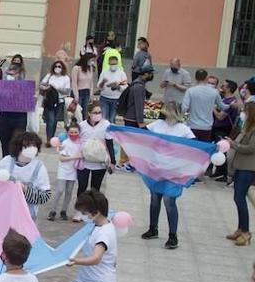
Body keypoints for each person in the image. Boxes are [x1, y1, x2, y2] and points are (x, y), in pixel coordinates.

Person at [139, 102, 193, 250]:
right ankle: (153, 229)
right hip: (156, 169)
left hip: (174, 172)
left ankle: (173, 236)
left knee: (169, 201)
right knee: (154, 200)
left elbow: (194, 146)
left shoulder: (184, 129)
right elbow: (141, 133)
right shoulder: (157, 124)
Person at [0, 132, 51, 219]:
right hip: (3, 214)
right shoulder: (6, 161)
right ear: (18, 148)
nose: (31, 149)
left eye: (34, 146)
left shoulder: (39, 167)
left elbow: (45, 196)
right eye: (26, 146)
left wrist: (25, 190)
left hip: (26, 217)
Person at [70, 101, 112, 214]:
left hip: (100, 162)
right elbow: (75, 140)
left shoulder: (106, 124)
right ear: (89, 113)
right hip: (84, 162)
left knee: (95, 189)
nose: (98, 114)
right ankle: (79, 210)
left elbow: (109, 142)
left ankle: (93, 211)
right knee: (82, 187)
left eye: (100, 112)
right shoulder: (82, 125)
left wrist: (112, 160)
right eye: (95, 112)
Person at [230, 102, 255, 247]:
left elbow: (251, 148)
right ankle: (240, 228)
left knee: (240, 198)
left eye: (245, 111)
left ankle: (245, 231)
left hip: (248, 168)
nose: (243, 114)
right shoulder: (247, 128)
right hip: (241, 166)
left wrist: (234, 145)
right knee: (237, 197)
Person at [49, 123, 82, 221]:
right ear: (67, 133)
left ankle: (64, 211)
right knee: (60, 190)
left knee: (69, 192)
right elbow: (61, 158)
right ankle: (52, 211)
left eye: (75, 132)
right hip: (63, 170)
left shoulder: (80, 144)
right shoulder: (65, 143)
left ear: (79, 133)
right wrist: (75, 157)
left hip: (73, 171)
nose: (73, 134)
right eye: (71, 132)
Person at [185, 69, 226, 143]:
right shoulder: (214, 92)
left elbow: (184, 108)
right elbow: (223, 107)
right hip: (205, 127)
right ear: (206, 79)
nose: (210, 84)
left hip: (196, 126)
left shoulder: (191, 91)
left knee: (192, 149)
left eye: (213, 83)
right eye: (209, 82)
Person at [212, 80, 241, 182]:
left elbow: (220, 117)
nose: (221, 87)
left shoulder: (230, 102)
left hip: (223, 128)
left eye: (223, 85)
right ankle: (219, 171)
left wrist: (213, 109)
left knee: (222, 150)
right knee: (218, 149)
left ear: (228, 88)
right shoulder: (224, 100)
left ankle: (224, 174)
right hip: (219, 128)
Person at [40, 60, 72, 141]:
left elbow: (67, 91)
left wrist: (57, 88)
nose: (57, 68)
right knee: (50, 120)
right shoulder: (49, 75)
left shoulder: (66, 78)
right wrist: (46, 88)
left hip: (59, 101)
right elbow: (41, 85)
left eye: (59, 66)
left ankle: (52, 137)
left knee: (55, 120)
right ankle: (48, 139)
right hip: (49, 101)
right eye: (56, 66)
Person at [96, 54, 128, 128]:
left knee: (112, 119)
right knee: (104, 118)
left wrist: (118, 87)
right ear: (109, 64)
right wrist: (103, 82)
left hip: (116, 99)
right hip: (104, 98)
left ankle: (111, 136)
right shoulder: (104, 72)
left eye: (114, 64)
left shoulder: (121, 73)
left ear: (117, 64)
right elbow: (99, 86)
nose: (113, 66)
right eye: (111, 64)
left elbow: (125, 86)